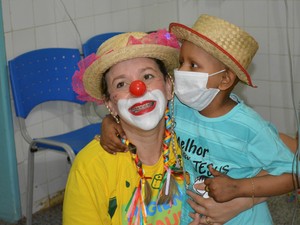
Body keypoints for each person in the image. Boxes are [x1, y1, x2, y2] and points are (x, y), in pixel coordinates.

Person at [99, 15, 298, 225]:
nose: (181, 72)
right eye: (181, 62)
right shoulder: (177, 106)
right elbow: (140, 111)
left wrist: (239, 188)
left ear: (225, 79)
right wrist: (110, 121)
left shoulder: (248, 126)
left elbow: (292, 174)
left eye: (193, 65)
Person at [63, 30, 186, 225]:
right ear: (110, 104)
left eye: (147, 76)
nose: (138, 89)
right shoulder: (90, 167)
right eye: (121, 84)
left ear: (169, 87)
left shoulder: (191, 142)